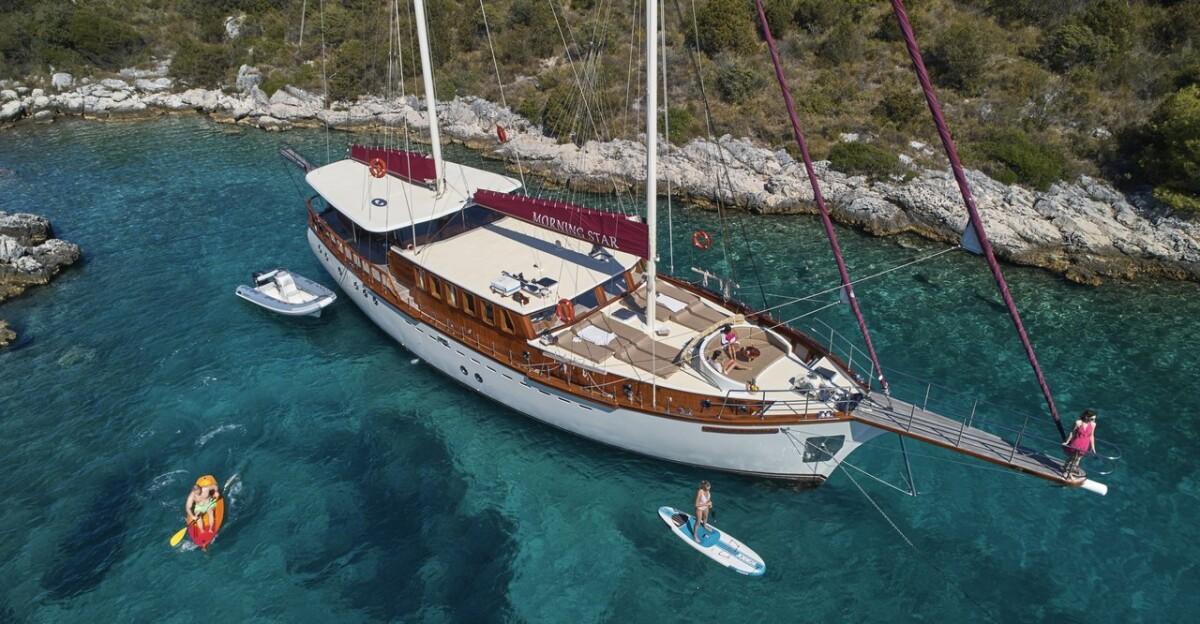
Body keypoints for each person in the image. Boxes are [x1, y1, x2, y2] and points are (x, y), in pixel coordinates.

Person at [1062, 409, 1098, 478]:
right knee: (1073, 458)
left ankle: (1070, 470)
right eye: (1092, 419)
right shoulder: (1078, 423)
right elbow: (1072, 433)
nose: (1093, 420)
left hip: (1085, 444)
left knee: (1078, 458)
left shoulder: (1093, 424)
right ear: (1087, 416)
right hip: (1077, 442)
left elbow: (1091, 436)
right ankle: (1067, 470)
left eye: (1094, 419)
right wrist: (1067, 442)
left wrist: (1093, 448)